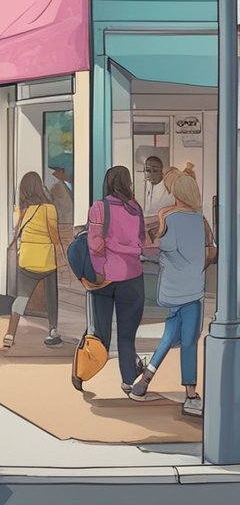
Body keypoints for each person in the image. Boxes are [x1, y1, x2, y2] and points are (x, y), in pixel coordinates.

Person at [131, 174, 209, 416]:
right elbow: (209, 249)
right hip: (193, 290)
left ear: (177, 194)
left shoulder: (171, 219)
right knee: (188, 342)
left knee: (169, 337)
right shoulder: (201, 220)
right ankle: (191, 395)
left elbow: (163, 249)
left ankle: (144, 381)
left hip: (173, 290)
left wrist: (161, 222)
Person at [87, 166, 148, 395]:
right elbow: (141, 242)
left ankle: (84, 370)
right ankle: (129, 381)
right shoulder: (136, 208)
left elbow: (95, 244)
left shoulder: (99, 207)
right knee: (127, 334)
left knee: (99, 331)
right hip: (133, 276)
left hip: (104, 278)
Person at [1, 172, 64, 351]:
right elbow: (54, 236)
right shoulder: (49, 209)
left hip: (27, 258)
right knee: (51, 296)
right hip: (46, 260)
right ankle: (53, 330)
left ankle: (10, 334)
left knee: (22, 296)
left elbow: (17, 231)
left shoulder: (19, 210)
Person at [141, 157, 172, 224]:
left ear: (161, 171)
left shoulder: (168, 188)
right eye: (148, 170)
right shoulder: (141, 186)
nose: (151, 174)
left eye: (155, 171)